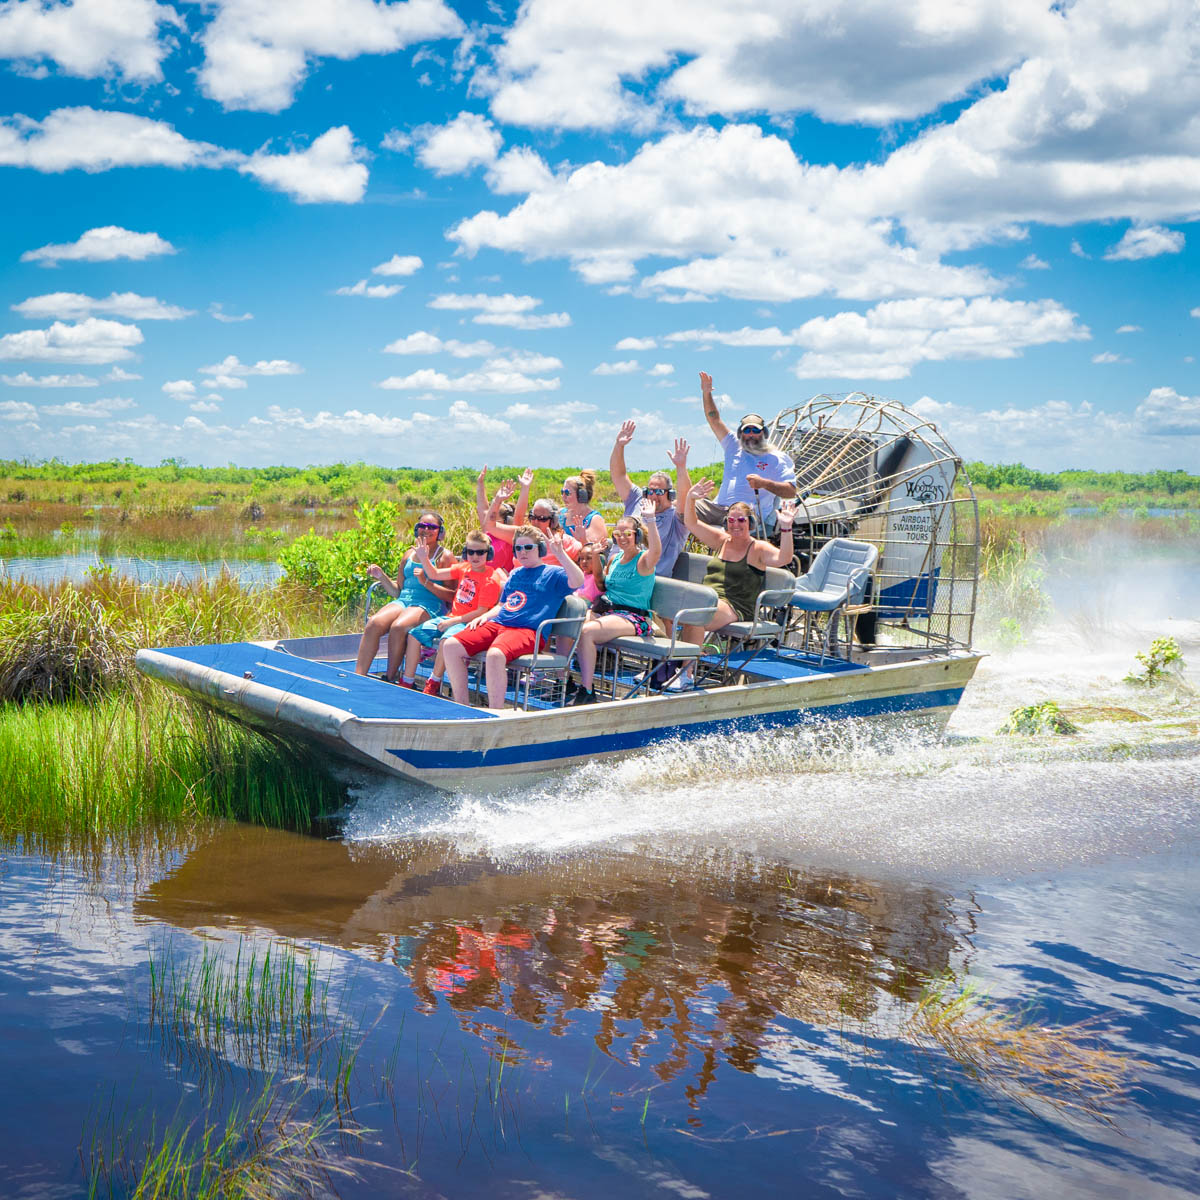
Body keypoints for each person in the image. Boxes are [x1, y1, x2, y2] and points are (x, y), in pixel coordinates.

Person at [668, 479, 796, 691]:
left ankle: (686, 673)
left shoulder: (758, 549)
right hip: (708, 598)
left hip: (735, 605)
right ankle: (667, 666)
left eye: (741, 521)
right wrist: (690, 498)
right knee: (672, 611)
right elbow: (692, 523)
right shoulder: (721, 540)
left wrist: (786, 527)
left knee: (697, 615)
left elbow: (784, 558)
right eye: (731, 520)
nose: (735, 525)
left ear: (750, 523)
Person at [442, 525, 585, 710]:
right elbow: (502, 605)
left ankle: (496, 712)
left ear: (540, 549)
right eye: (518, 548)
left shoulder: (553, 573)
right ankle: (462, 706)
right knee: (451, 646)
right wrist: (484, 616)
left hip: (528, 631)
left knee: (495, 655)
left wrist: (560, 554)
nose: (522, 552)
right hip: (500, 624)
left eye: (528, 547)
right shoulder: (516, 573)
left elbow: (578, 581)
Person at [571, 499, 662, 706]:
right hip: (609, 612)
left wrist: (651, 520)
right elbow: (601, 585)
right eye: (618, 534)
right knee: (572, 622)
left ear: (636, 535)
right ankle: (566, 679)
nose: (622, 538)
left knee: (588, 632)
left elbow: (656, 550)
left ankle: (586, 690)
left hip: (635, 617)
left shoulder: (644, 560)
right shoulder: (614, 559)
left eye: (627, 534)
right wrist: (595, 556)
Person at [396, 528, 508, 693]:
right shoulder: (463, 568)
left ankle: (434, 681)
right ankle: (407, 680)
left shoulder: (491, 579)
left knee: (445, 641)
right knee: (414, 635)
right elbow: (433, 574)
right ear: (465, 553)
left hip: (468, 623)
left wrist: (452, 621)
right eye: (471, 552)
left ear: (488, 554)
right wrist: (424, 558)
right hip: (451, 618)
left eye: (480, 552)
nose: (475, 556)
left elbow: (481, 611)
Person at [355, 510, 454, 679]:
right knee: (374, 623)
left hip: (430, 605)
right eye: (422, 525)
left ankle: (390, 677)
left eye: (432, 527)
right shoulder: (408, 554)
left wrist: (426, 582)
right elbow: (397, 591)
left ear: (440, 532)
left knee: (399, 626)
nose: (426, 530)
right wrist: (381, 576)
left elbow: (452, 596)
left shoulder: (445, 557)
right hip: (404, 602)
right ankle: (359, 675)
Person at [698, 370, 796, 534]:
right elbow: (714, 419)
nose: (750, 434)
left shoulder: (776, 458)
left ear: (763, 433)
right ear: (740, 433)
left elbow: (791, 490)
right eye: (747, 430)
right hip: (720, 509)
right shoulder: (733, 446)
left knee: (737, 521)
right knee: (681, 509)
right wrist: (706, 393)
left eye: (755, 430)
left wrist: (764, 483)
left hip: (748, 516)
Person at [608, 420, 692, 576]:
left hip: (644, 578)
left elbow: (686, 497)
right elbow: (618, 476)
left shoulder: (677, 520)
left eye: (659, 492)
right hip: (614, 571)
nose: (653, 496)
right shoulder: (638, 499)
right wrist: (619, 446)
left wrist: (681, 468)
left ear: (670, 494)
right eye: (650, 491)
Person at [487, 485, 583, 562]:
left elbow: (586, 562)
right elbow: (490, 526)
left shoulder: (563, 541)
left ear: (553, 520)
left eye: (542, 519)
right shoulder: (520, 535)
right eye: (533, 517)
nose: (535, 522)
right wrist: (497, 501)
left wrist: (583, 540)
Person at [475, 465, 527, 572]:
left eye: (493, 519)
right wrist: (480, 483)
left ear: (506, 521)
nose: (488, 520)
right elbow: (482, 508)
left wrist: (525, 488)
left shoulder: (512, 536)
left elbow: (519, 515)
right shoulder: (488, 533)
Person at [559, 470, 608, 545]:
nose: (563, 497)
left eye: (567, 493)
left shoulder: (594, 519)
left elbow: (594, 551)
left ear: (581, 495)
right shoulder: (560, 514)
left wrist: (583, 540)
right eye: (562, 492)